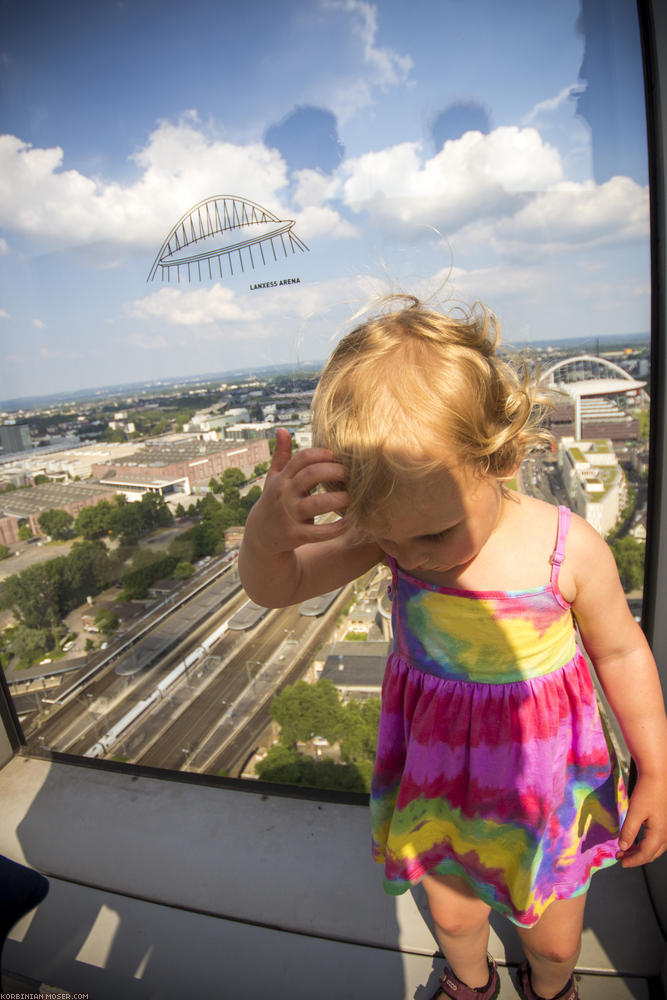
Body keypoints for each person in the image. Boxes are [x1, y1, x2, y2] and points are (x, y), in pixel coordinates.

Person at [239, 297, 667, 1000]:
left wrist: (653, 766)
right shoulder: (395, 532)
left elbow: (621, 654)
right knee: (453, 914)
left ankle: (550, 987)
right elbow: (277, 586)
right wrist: (264, 534)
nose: (410, 557)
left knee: (555, 939)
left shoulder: (568, 551)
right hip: (440, 779)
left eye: (431, 537)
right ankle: (470, 984)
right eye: (388, 537)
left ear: (497, 459)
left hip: (545, 791)